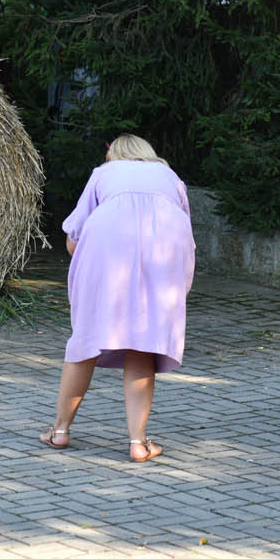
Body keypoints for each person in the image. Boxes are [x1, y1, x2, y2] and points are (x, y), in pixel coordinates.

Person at [40, 134, 194, 463]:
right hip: (165, 255)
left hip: (108, 253)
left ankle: (60, 431)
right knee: (143, 344)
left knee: (85, 342)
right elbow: (186, 235)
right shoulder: (171, 178)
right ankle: (138, 442)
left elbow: (72, 239)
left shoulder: (103, 174)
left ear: (115, 155)